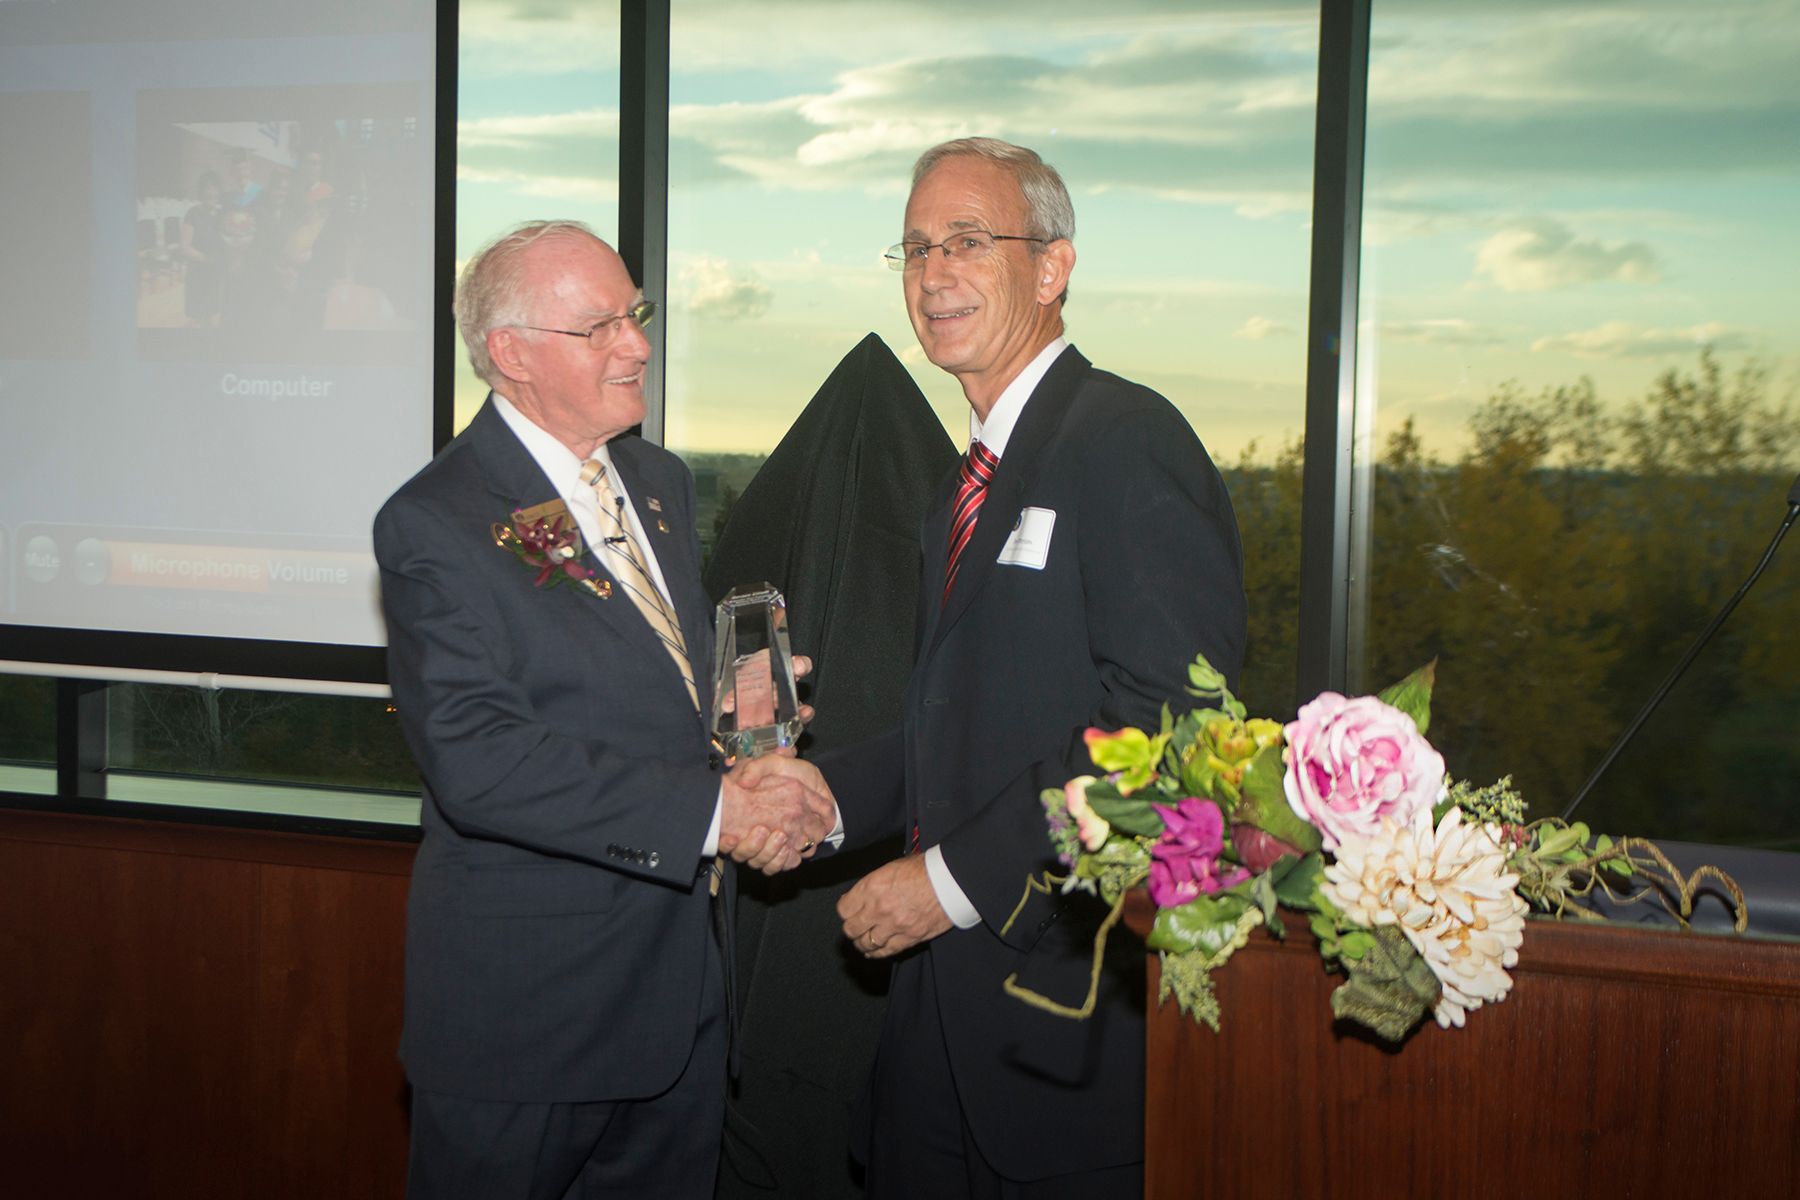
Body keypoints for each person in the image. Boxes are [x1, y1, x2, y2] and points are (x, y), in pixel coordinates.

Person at [374, 220, 838, 1200]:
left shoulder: (655, 483)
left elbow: (630, 680)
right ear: (510, 355)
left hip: (674, 1002)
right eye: (601, 327)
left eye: (637, 314)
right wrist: (719, 816)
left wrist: (737, 703)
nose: (638, 344)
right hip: (530, 1022)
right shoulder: (437, 521)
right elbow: (480, 757)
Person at [821, 138, 1246, 1197]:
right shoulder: (963, 486)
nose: (933, 273)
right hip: (934, 1049)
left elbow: (1169, 728)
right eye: (915, 248)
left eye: (968, 241)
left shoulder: (1125, 439)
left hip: (1059, 1046)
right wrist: (822, 799)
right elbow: (957, 732)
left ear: (1052, 268)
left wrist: (953, 883)